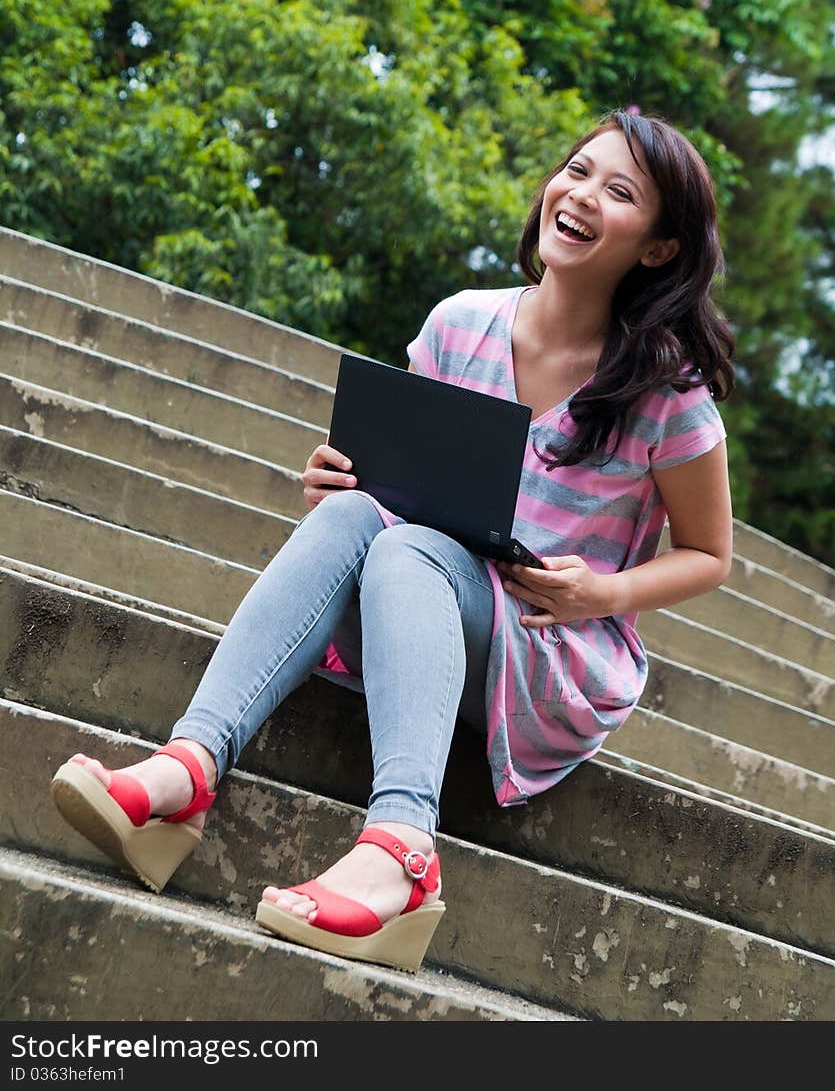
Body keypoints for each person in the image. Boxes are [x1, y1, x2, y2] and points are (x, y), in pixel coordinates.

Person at [50, 108, 735, 975]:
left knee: (411, 551)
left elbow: (711, 555)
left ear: (659, 249)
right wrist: (343, 481)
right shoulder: (458, 324)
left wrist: (604, 591)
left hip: (543, 645)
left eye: (621, 191)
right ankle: (185, 773)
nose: (581, 193)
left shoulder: (666, 392)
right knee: (353, 521)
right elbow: (398, 495)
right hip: (412, 600)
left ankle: (403, 850)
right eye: (577, 169)